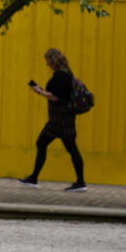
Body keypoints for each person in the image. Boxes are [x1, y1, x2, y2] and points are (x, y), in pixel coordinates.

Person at [19, 48, 87, 192]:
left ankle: (34, 178)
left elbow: (56, 97)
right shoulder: (67, 73)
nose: (47, 64)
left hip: (59, 118)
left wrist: (39, 91)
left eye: (48, 61)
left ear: (52, 60)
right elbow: (58, 94)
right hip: (65, 116)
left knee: (44, 143)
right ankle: (79, 182)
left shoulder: (60, 76)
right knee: (70, 148)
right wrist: (44, 91)